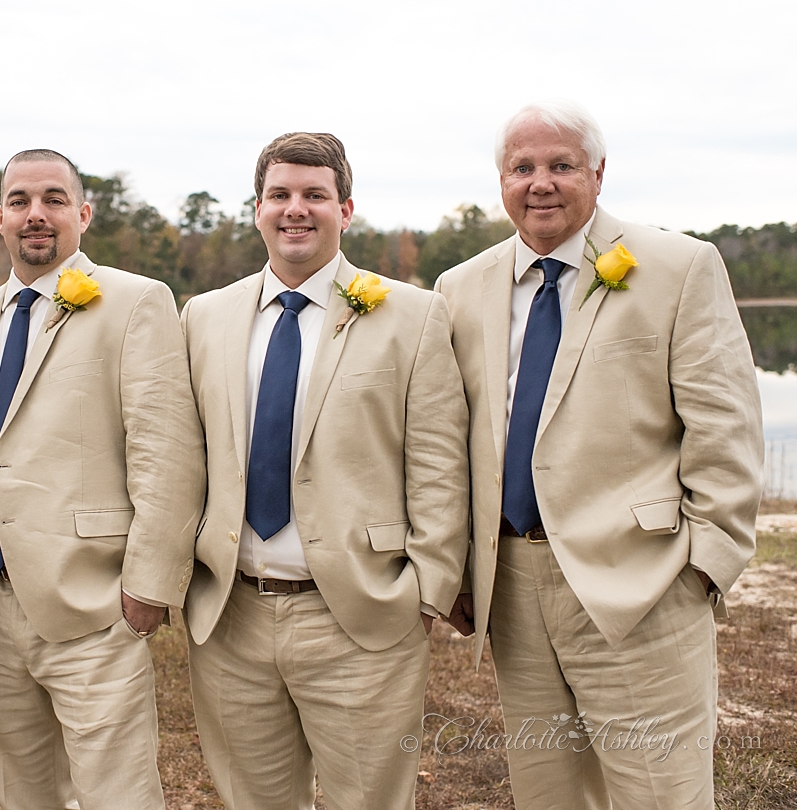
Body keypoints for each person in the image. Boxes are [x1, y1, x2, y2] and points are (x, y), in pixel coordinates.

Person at [435, 100, 764, 809]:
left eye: (561, 165)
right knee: (548, 794)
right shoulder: (458, 291)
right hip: (514, 590)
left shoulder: (677, 267)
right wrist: (458, 567)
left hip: (643, 584)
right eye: (523, 167)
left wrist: (703, 569)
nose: (541, 183)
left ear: (599, 173)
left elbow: (726, 433)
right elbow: (448, 441)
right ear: (501, 179)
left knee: (660, 794)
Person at [181, 132, 470, 809]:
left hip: (360, 617)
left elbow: (439, 464)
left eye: (315, 195)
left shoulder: (412, 315)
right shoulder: (202, 317)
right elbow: (179, 454)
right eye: (280, 195)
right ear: (257, 209)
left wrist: (426, 594)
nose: (296, 209)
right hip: (231, 619)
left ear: (346, 209)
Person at [0, 149, 205, 810]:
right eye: (22, 201)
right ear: (0, 218)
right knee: (20, 792)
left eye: (55, 199)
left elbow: (165, 452)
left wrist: (149, 581)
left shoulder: (135, 302)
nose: (38, 215)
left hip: (94, 601)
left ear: (82, 214)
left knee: (119, 796)